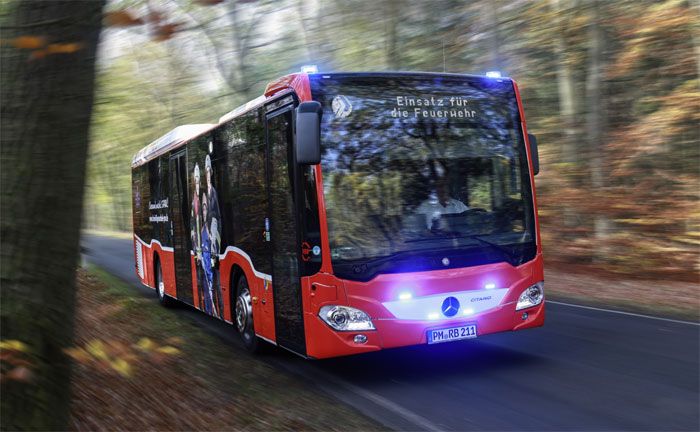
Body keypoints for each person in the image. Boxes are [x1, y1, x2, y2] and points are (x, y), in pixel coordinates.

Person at [204, 154, 224, 318]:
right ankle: (214, 309)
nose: (208, 174)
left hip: (214, 247)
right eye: (206, 172)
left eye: (210, 171)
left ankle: (222, 312)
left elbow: (217, 218)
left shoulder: (214, 194)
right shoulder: (206, 193)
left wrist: (215, 247)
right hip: (207, 244)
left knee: (217, 280)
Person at [190, 163, 204, 310]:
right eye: (196, 178)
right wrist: (196, 248)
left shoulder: (205, 196)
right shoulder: (193, 200)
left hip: (206, 249)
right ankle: (199, 304)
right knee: (199, 281)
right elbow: (192, 226)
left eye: (199, 178)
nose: (198, 181)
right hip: (197, 250)